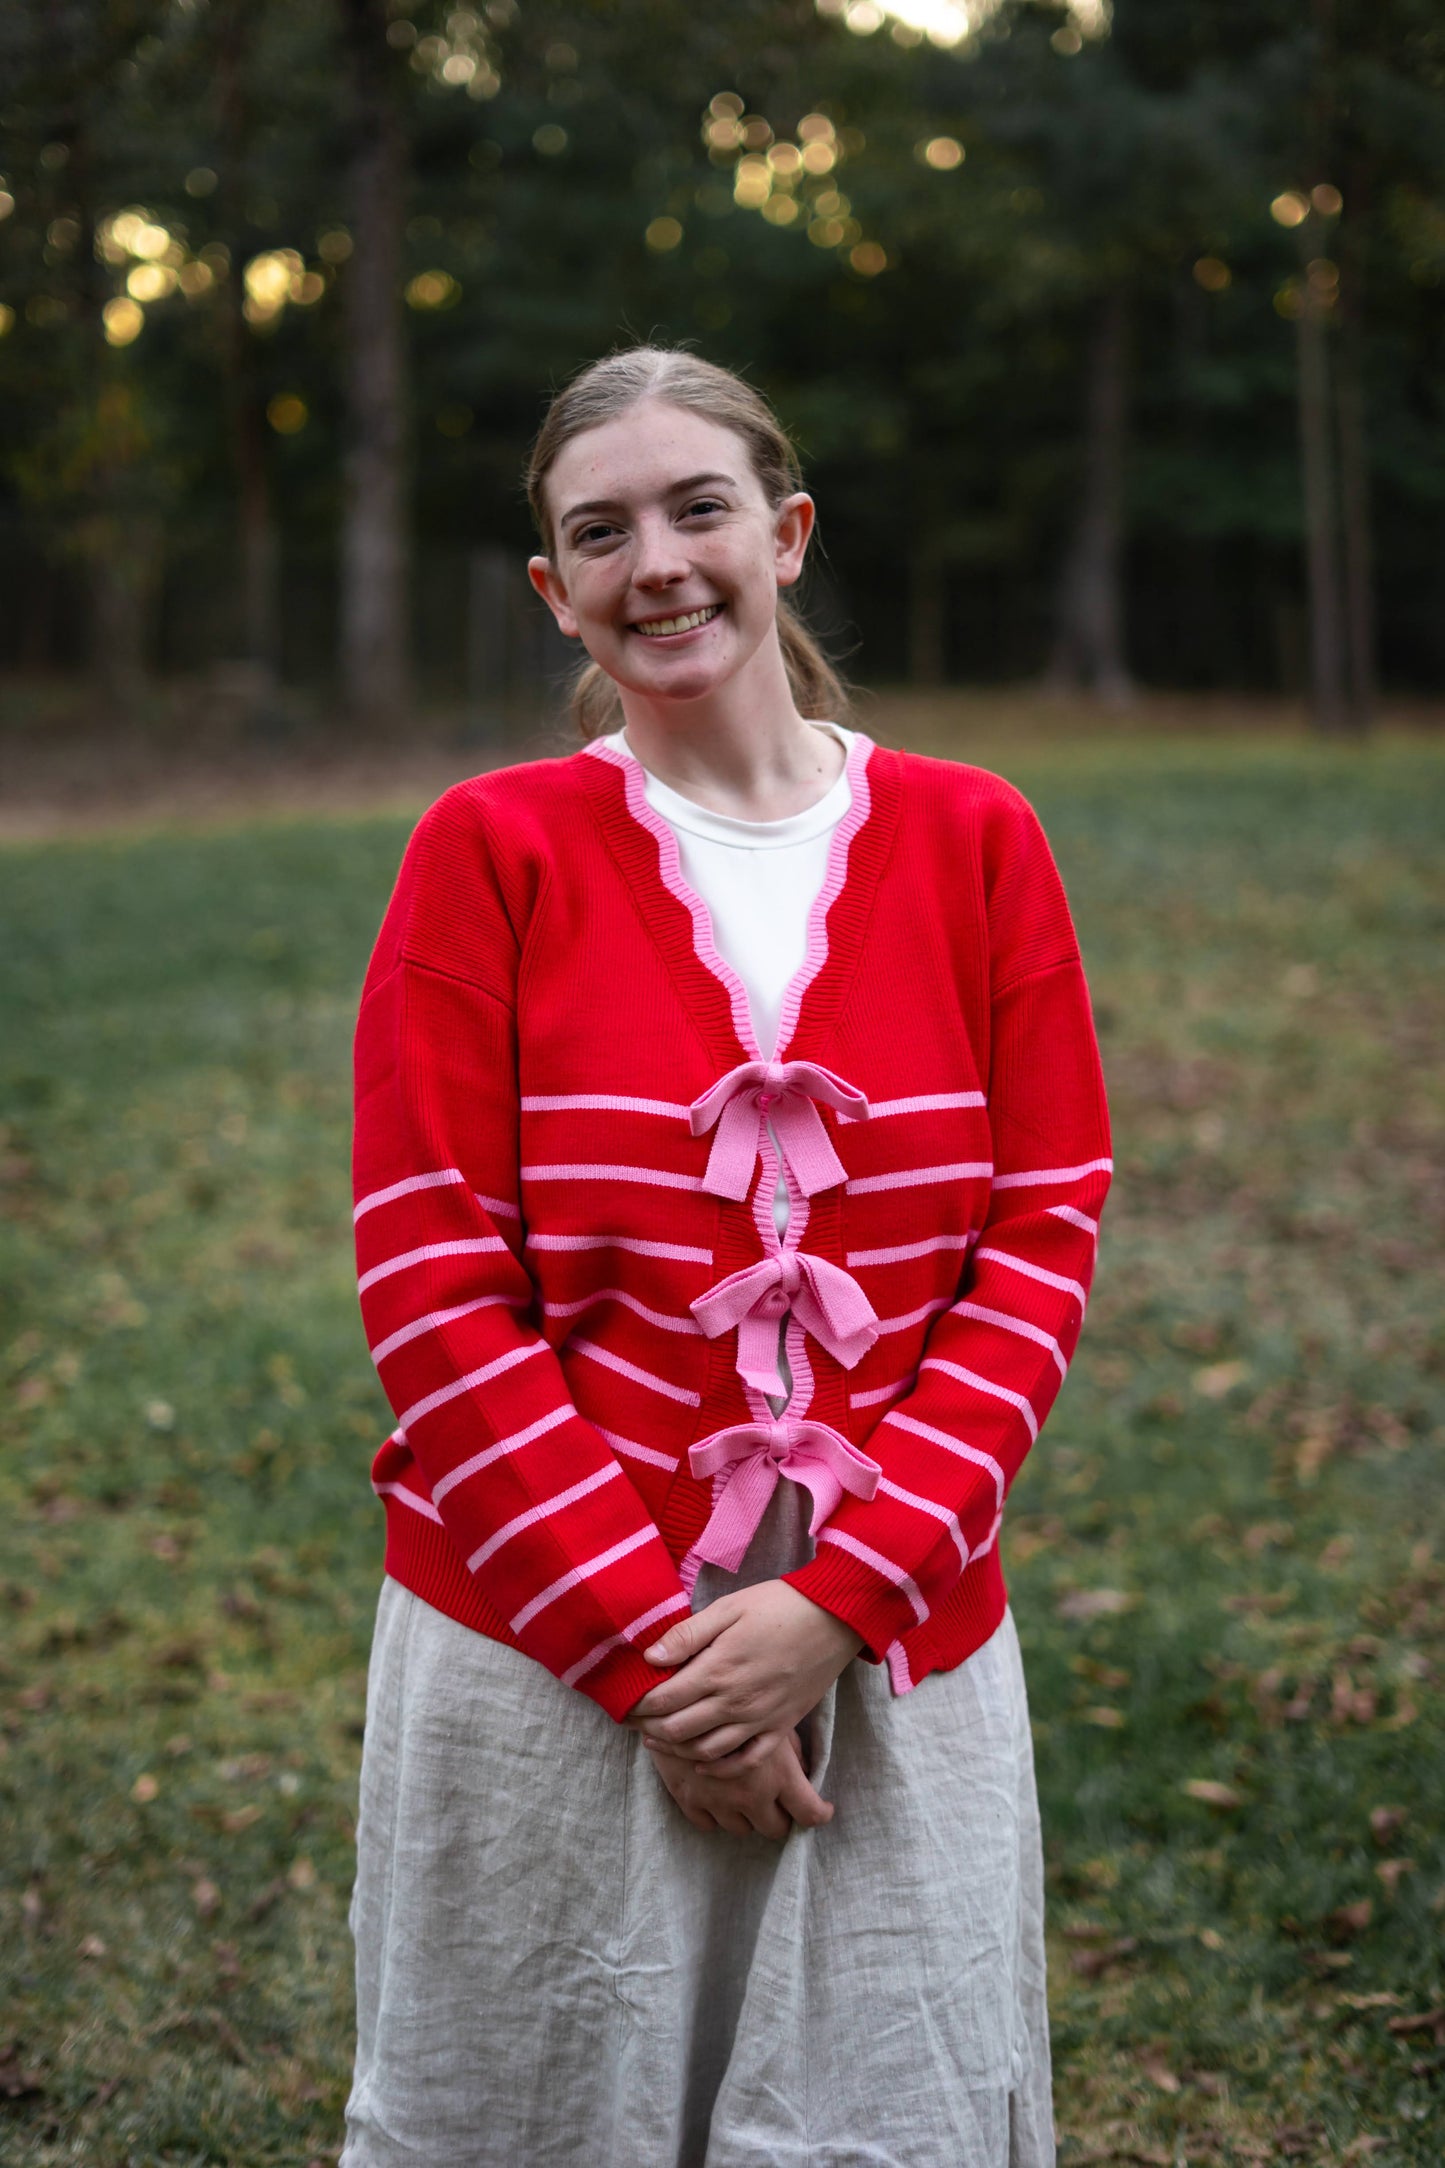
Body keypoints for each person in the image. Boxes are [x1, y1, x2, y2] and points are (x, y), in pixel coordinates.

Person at [342, 345, 1111, 2168]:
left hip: (892, 1645)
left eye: (697, 510)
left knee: (873, 2116)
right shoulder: (489, 853)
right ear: (553, 589)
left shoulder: (976, 839)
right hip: (541, 1649)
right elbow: (430, 1279)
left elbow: (1039, 1234)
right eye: (596, 533)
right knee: (542, 2108)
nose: (655, 564)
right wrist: (659, 1668)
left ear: (786, 531)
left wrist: (836, 1604)